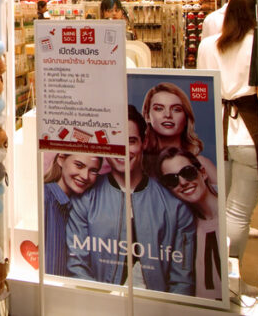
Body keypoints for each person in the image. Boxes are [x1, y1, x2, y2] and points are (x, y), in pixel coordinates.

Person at [67, 105, 195, 295]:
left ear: (144, 142)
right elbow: (77, 267)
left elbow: (182, 282)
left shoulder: (175, 206)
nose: (123, 150)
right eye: (115, 141)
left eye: (131, 141)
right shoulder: (84, 200)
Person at [197, 0, 258, 263]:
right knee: (238, 211)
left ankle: (216, 276)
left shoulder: (208, 45)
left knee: (217, 207)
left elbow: (201, 86)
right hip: (249, 131)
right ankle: (232, 275)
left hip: (216, 129)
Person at [156, 148, 222, 301]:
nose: (183, 182)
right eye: (172, 180)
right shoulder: (183, 227)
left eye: (188, 172)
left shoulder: (229, 213)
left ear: (203, 173)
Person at [141, 82, 217, 186]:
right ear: (147, 116)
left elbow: (220, 195)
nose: (168, 115)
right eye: (159, 108)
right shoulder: (138, 163)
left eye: (176, 109)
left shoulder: (202, 164)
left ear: (186, 118)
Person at [43, 154, 102, 277]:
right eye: (79, 165)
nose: (85, 176)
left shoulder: (79, 207)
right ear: (61, 159)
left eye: (93, 170)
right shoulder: (44, 199)